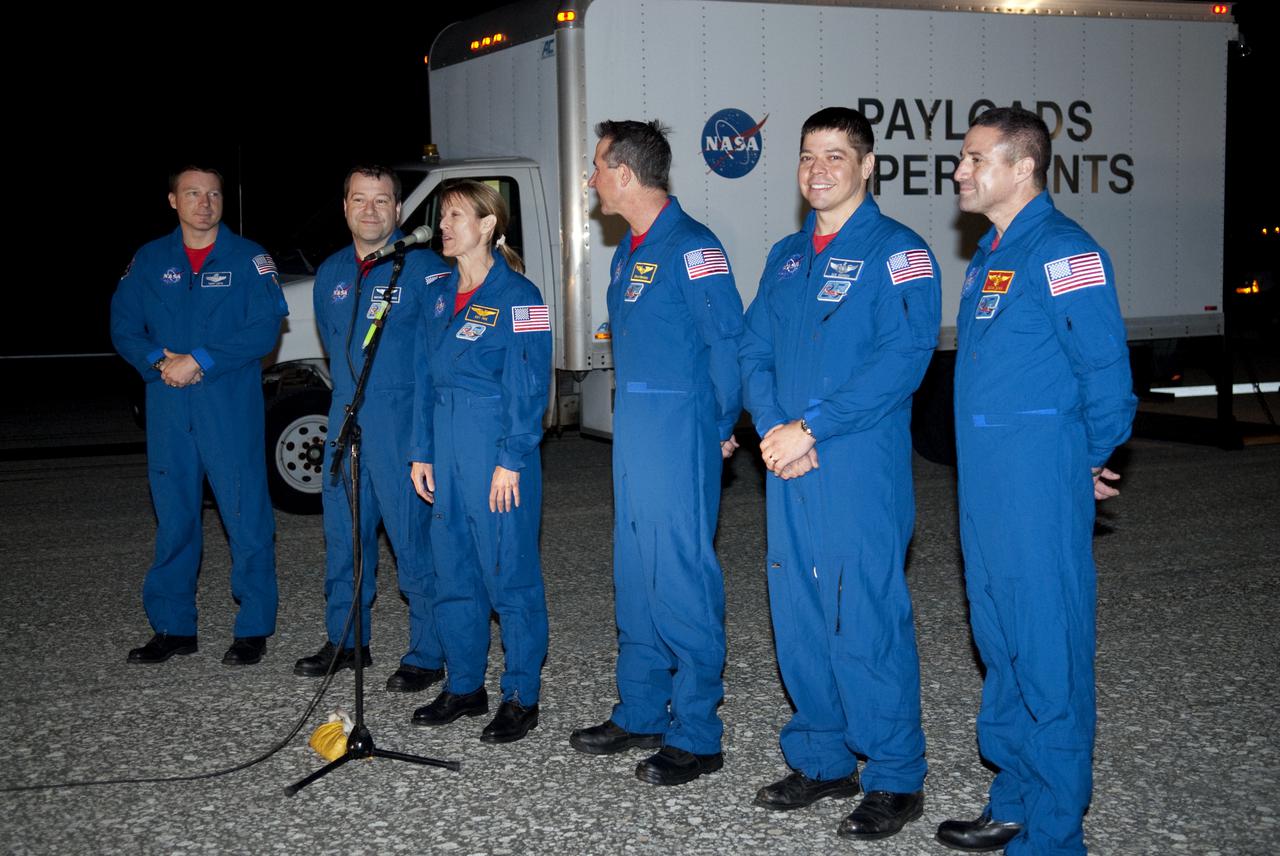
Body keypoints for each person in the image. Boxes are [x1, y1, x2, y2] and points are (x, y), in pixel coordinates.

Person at [939, 107, 1136, 855]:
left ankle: (1053, 835)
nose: (960, 170)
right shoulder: (993, 255)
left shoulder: (1062, 251)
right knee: (1003, 647)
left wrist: (1072, 464)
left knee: (1048, 656)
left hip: (1033, 492)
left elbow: (1108, 382)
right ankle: (1014, 800)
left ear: (1022, 167)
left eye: (974, 157)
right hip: (989, 494)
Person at [739, 107, 939, 839]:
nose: (817, 170)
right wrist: (770, 428)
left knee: (863, 615)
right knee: (796, 612)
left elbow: (902, 360)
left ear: (868, 165)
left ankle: (894, 773)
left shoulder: (899, 252)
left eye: (834, 156)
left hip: (854, 461)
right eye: (806, 157)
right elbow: (751, 349)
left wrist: (811, 426)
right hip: (787, 460)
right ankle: (823, 758)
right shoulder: (787, 257)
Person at [568, 120, 744, 786]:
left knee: (680, 581)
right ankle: (642, 708)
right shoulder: (629, 251)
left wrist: (721, 422)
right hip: (637, 431)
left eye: (596, 168)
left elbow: (727, 343)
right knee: (637, 577)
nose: (591, 180)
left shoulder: (693, 247)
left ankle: (697, 733)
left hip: (678, 430)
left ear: (623, 173)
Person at [111, 165, 286, 667]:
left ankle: (253, 627)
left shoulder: (250, 258)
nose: (204, 202)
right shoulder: (150, 259)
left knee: (245, 517)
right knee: (174, 518)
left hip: (227, 404)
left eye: (212, 194)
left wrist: (200, 359)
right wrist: (157, 361)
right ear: (173, 200)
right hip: (168, 404)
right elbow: (123, 325)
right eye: (192, 193)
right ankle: (172, 626)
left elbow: (264, 329)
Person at [294, 166, 448, 693]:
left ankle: (428, 651)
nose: (370, 210)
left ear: (399, 211)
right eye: (359, 200)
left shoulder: (425, 271)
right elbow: (335, 348)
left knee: (413, 544)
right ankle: (347, 640)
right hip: (345, 421)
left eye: (381, 201)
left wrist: (425, 439)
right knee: (344, 540)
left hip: (402, 426)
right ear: (344, 208)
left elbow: (437, 362)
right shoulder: (333, 272)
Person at [409, 180, 551, 744]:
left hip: (495, 451)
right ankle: (465, 685)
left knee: (509, 577)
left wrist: (512, 457)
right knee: (454, 573)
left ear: (488, 225)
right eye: (442, 217)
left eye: (456, 216)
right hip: (444, 448)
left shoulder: (521, 296)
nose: (444, 226)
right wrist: (421, 449)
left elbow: (530, 383)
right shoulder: (439, 294)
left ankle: (521, 695)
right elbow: (425, 377)